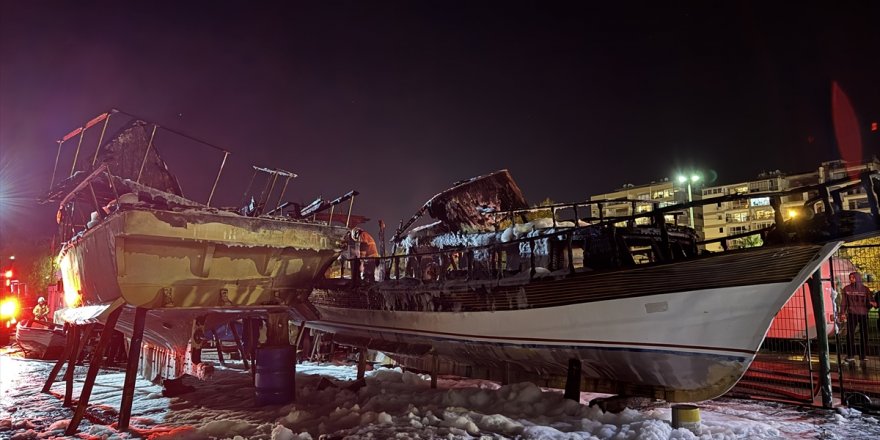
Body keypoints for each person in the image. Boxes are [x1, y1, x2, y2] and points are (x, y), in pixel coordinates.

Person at [841, 272, 877, 362]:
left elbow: (869, 301)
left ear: (857, 278)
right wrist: (842, 313)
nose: (851, 279)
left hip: (863, 314)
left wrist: (872, 304)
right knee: (850, 334)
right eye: (850, 277)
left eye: (853, 277)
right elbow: (844, 302)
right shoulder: (847, 289)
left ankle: (863, 355)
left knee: (864, 335)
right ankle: (850, 355)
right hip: (852, 313)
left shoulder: (865, 289)